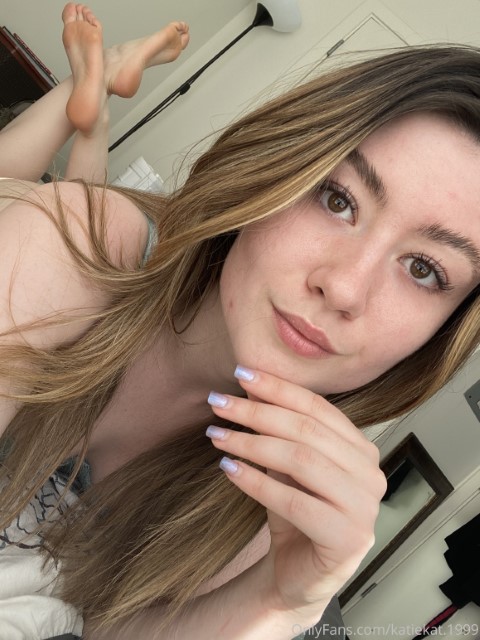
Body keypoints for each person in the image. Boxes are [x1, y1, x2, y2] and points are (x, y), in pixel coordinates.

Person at [1, 3, 480, 639]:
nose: (343, 286)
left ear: (440, 335)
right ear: (273, 168)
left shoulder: (266, 511)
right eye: (337, 199)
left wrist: (277, 601)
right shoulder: (77, 246)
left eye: (423, 269)